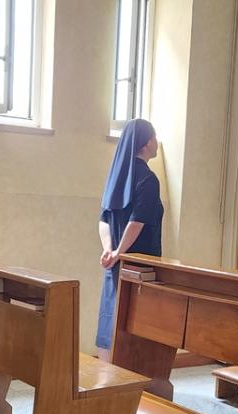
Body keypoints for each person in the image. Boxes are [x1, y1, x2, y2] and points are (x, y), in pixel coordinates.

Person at [96, 119, 162, 360]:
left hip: (115, 264)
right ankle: (130, 376)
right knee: (134, 328)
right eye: (155, 137)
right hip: (139, 266)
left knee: (111, 321)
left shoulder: (117, 176)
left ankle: (106, 373)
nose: (157, 142)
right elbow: (137, 222)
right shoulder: (148, 179)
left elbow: (103, 220)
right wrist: (120, 252)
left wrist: (110, 250)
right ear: (146, 143)